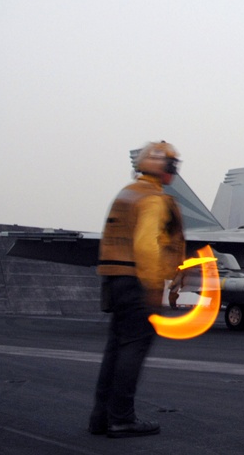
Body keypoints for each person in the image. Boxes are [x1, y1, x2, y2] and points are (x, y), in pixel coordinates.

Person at [88, 142, 186, 438]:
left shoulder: (127, 193)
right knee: (133, 349)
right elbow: (146, 246)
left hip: (115, 280)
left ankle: (101, 418)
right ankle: (122, 419)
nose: (174, 172)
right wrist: (154, 286)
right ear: (164, 167)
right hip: (136, 282)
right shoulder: (153, 199)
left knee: (115, 350)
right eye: (172, 166)